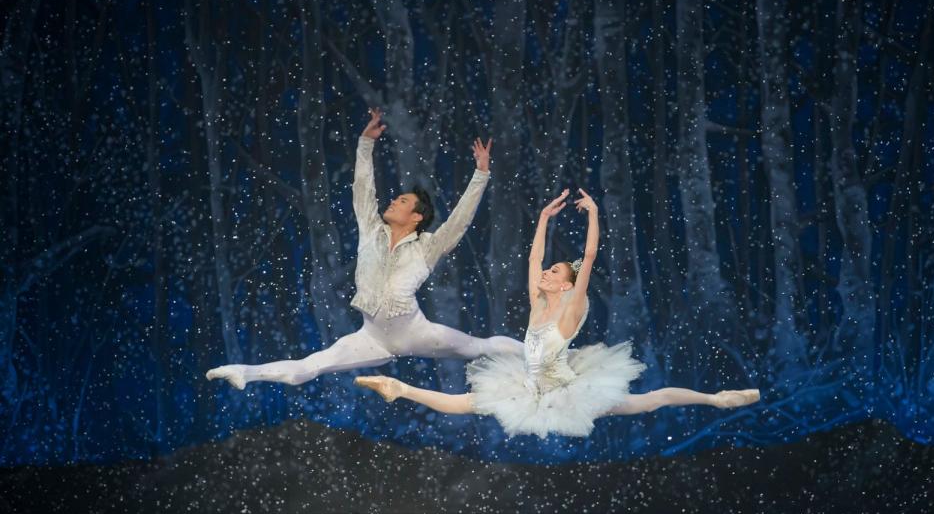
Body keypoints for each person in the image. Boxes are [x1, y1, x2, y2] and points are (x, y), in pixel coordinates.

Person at [355, 188, 760, 438]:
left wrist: (595, 215)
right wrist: (545, 220)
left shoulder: (570, 308)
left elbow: (588, 255)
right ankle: (399, 389)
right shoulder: (538, 302)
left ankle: (717, 399)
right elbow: (533, 257)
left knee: (649, 401)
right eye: (547, 270)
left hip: (568, 391)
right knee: (466, 403)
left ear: (567, 284)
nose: (546, 272)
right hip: (528, 386)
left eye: (554, 271)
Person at [205, 108, 522, 390]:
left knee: (478, 347)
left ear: (416, 218)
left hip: (415, 331)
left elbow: (458, 222)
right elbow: (363, 188)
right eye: (395, 198)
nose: (393, 202)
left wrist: (481, 174)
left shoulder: (428, 246)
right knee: (308, 367)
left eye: (402, 202)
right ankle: (244, 372)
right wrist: (365, 145)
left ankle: (542, 355)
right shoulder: (371, 230)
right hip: (371, 338)